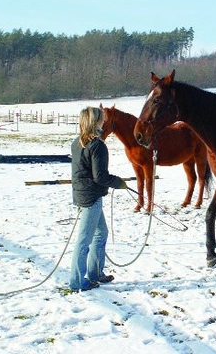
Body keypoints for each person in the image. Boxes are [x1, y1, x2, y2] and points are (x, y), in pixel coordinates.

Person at [69, 106, 127, 292]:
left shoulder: (77, 142)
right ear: (97, 122)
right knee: (84, 240)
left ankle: (95, 274)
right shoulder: (98, 145)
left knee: (101, 233)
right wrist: (119, 182)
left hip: (83, 193)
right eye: (102, 118)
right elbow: (100, 176)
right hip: (91, 198)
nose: (104, 121)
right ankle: (77, 281)